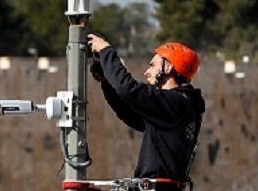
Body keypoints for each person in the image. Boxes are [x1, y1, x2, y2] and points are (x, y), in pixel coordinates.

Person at [86, 34, 205, 191]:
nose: (147, 72)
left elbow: (129, 90)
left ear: (168, 67)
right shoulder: (176, 106)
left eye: (152, 65)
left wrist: (106, 50)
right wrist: (107, 83)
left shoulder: (176, 103)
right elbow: (131, 115)